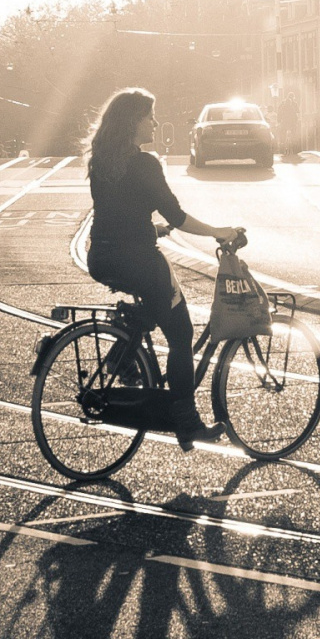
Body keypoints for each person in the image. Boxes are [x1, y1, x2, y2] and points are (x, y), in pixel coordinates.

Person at [86, 87, 244, 452]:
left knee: (154, 311)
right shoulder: (145, 163)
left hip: (102, 256)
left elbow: (117, 210)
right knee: (181, 333)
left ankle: (123, 355)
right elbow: (177, 215)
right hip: (138, 259)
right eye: (150, 117)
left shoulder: (102, 158)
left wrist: (150, 227)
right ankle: (186, 421)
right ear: (133, 122)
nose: (155, 123)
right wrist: (218, 231)